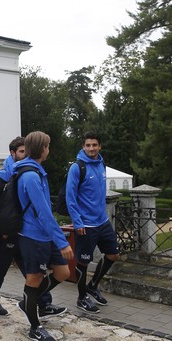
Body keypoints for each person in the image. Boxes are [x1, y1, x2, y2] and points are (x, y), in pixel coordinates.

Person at [0, 137, 67, 319]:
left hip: (24, 231)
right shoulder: (4, 175)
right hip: (8, 231)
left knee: (33, 273)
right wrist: (1, 230)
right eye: (21, 152)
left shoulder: (27, 171)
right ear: (12, 153)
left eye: (26, 151)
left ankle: (43, 303)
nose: (25, 154)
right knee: (1, 266)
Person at [14, 131, 73, 341]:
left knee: (63, 272)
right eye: (48, 145)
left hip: (44, 234)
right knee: (34, 279)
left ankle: (28, 302)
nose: (49, 149)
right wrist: (62, 241)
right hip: (32, 235)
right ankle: (34, 327)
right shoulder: (30, 175)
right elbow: (43, 212)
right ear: (42, 148)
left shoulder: (37, 171)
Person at [67, 131, 120, 313]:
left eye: (94, 145)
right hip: (86, 225)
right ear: (83, 146)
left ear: (100, 146)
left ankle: (93, 285)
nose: (91, 148)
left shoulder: (101, 163)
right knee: (83, 262)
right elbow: (70, 198)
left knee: (113, 255)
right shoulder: (77, 167)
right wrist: (77, 222)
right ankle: (82, 298)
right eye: (88, 145)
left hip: (103, 221)